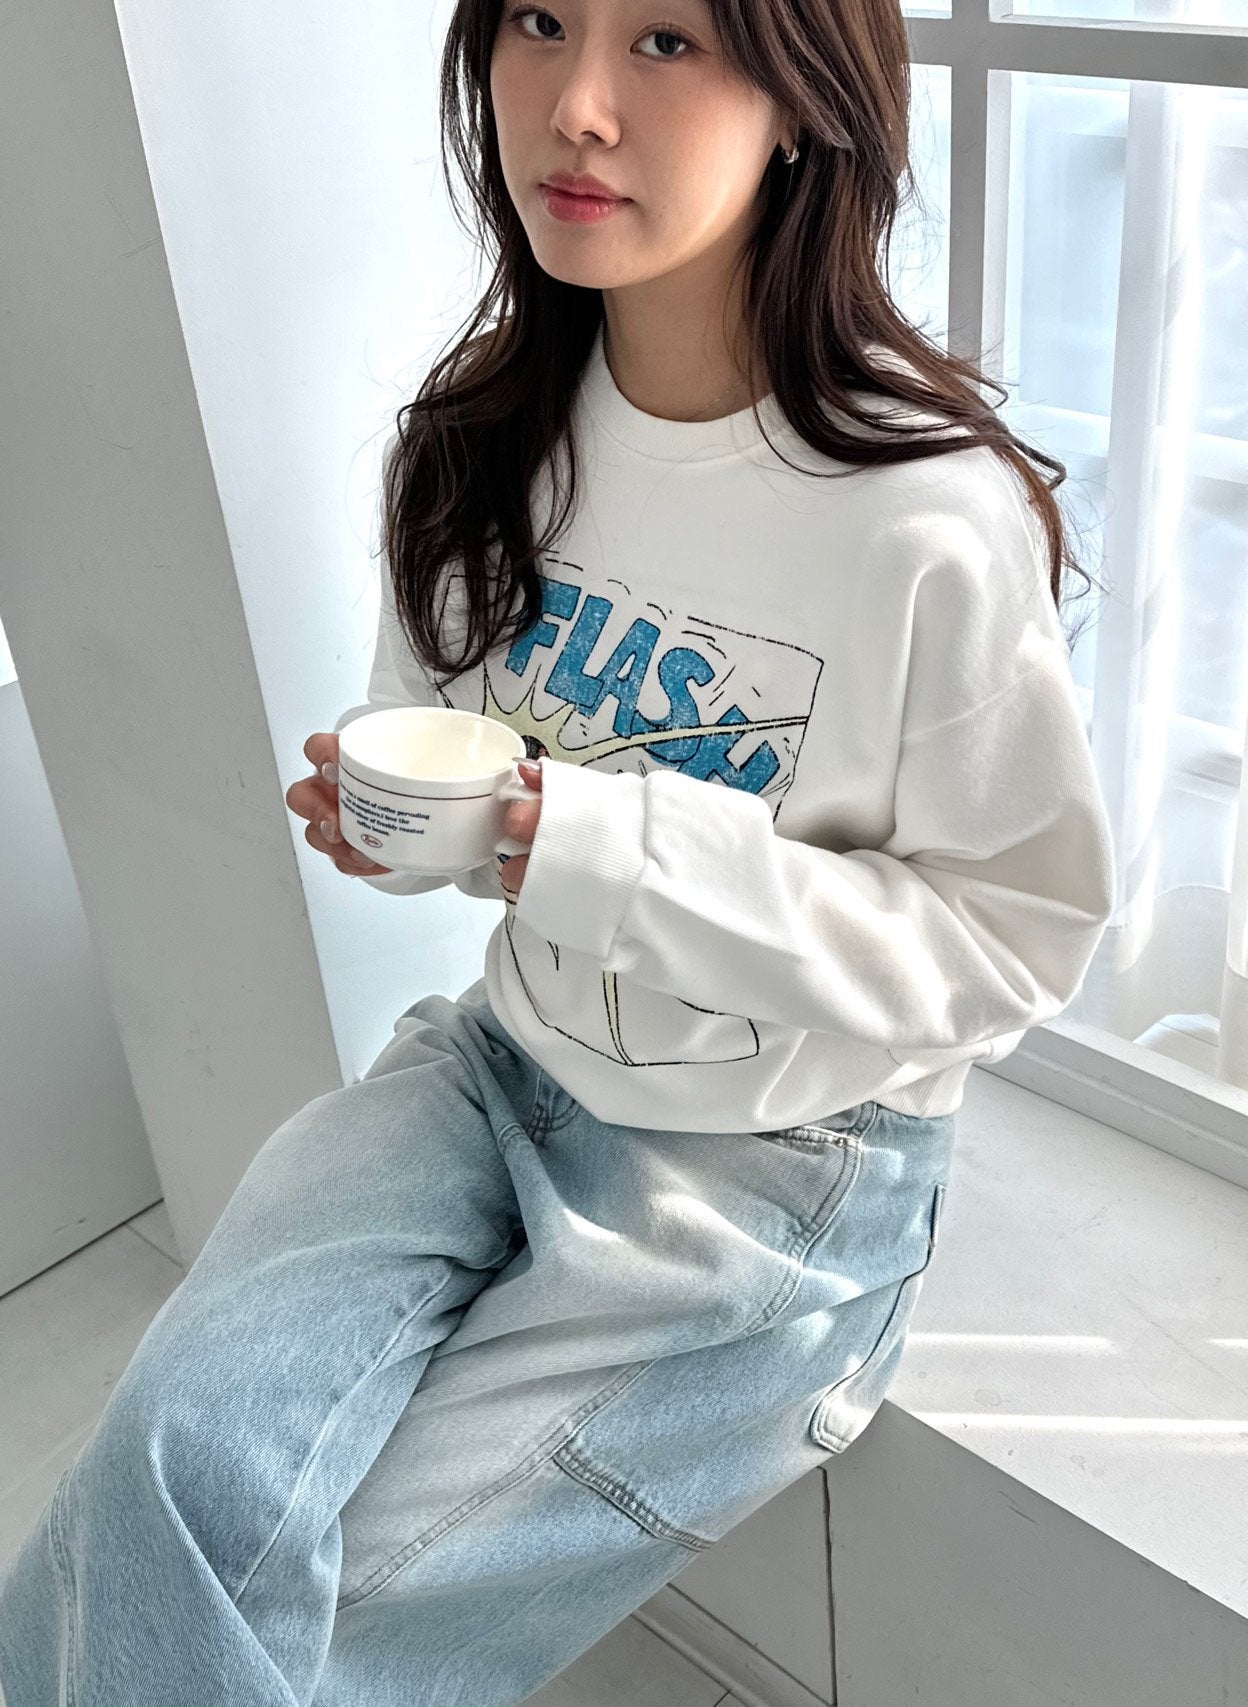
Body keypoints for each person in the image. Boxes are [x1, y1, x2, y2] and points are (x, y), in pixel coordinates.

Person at [0, 0, 1116, 1701]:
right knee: (162, 1472)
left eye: (666, 40)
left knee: (307, 1630)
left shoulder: (925, 516)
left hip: (772, 1178)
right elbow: (459, 768)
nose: (577, 106)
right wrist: (415, 837)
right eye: (538, 20)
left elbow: (1011, 940)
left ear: (804, 98)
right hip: (497, 1070)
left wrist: (580, 841)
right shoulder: (476, 442)